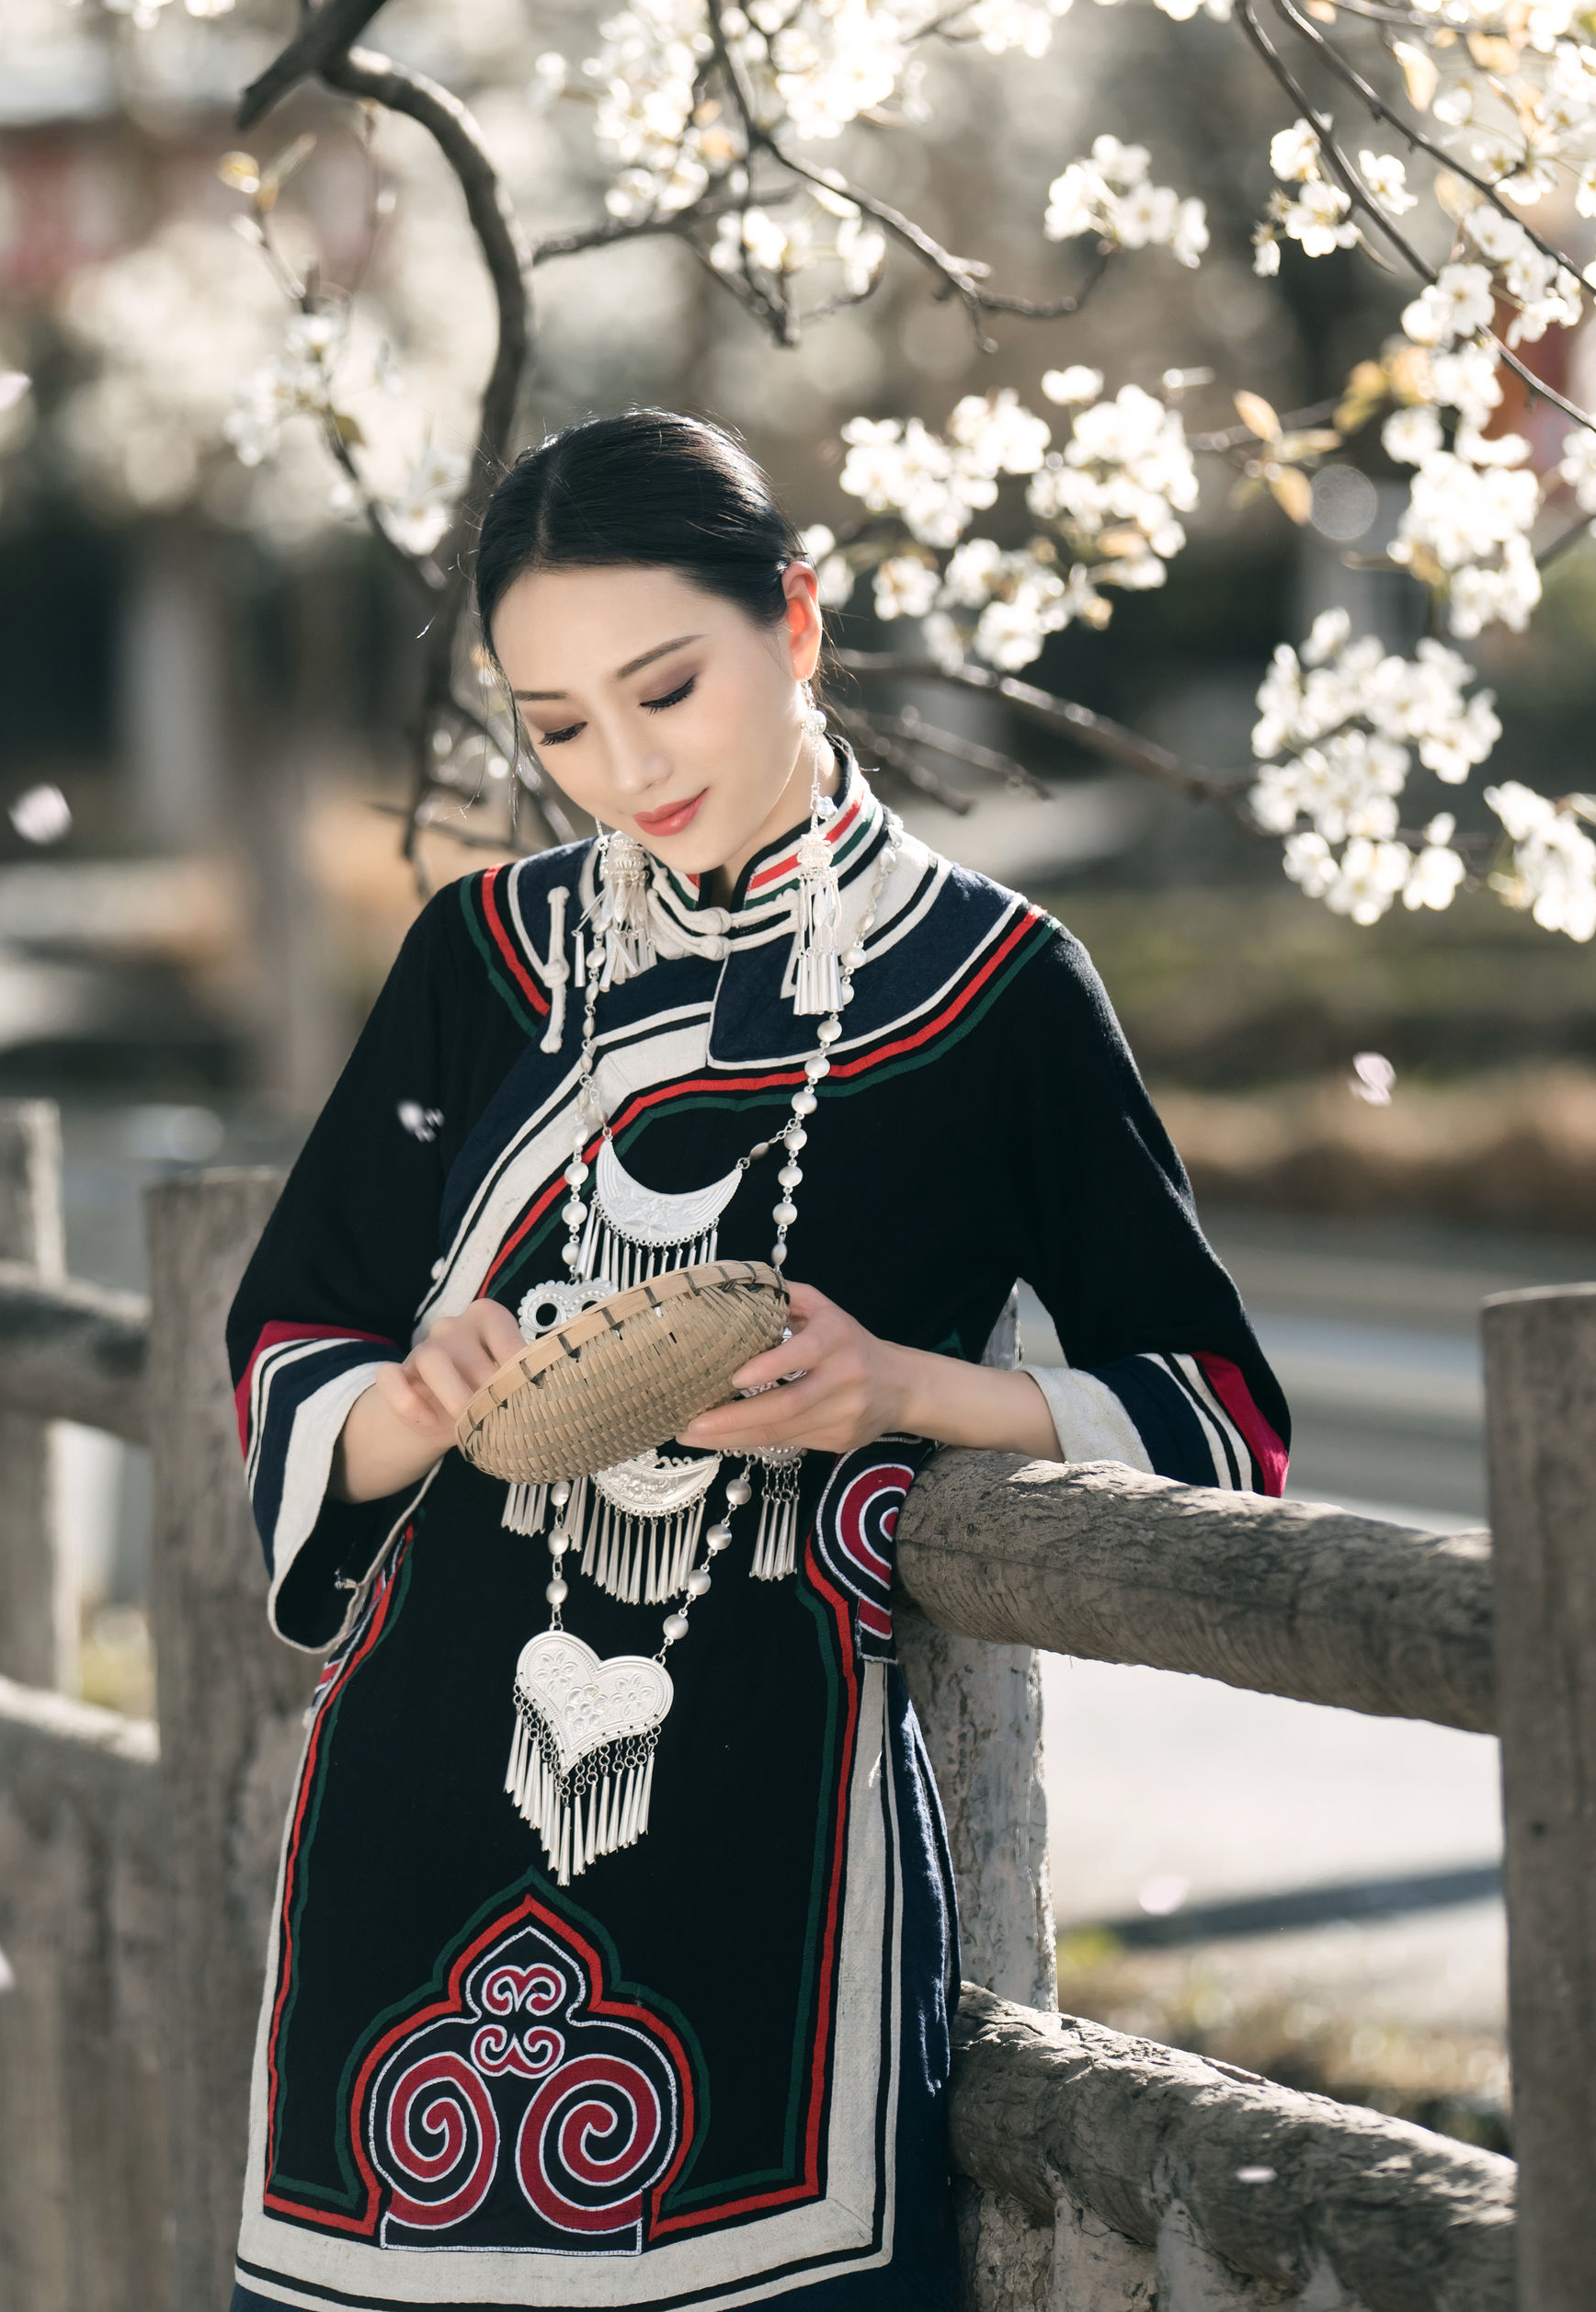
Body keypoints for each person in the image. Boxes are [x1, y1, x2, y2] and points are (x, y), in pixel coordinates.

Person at [223, 409, 1287, 2312]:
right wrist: (404, 1395)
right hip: (414, 1828)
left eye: (666, 687)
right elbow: (292, 1328)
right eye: (556, 725)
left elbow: (1219, 1417)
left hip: (764, 1861)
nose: (621, 768)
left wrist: (908, 1388)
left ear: (793, 619)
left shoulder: (991, 987)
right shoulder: (481, 958)